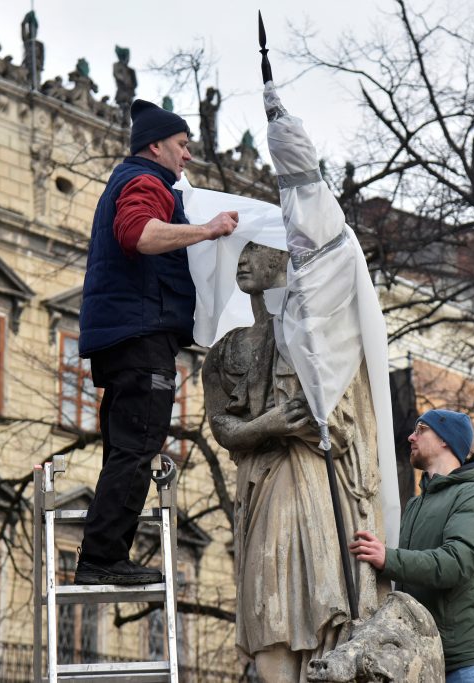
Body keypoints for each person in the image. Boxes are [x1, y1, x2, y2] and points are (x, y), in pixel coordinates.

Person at [203, 242, 388, 682]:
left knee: (310, 596)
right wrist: (267, 425)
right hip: (262, 478)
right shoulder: (227, 350)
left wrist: (308, 423)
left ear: (282, 256)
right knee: (267, 600)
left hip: (312, 481)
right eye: (238, 250)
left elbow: (348, 423)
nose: (242, 259)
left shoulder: (321, 336)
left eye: (254, 248)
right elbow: (222, 426)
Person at [74, 99, 238, 586]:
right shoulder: (144, 182)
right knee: (138, 445)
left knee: (126, 446)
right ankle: (103, 559)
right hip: (139, 334)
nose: (187, 156)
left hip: (124, 334)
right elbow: (138, 235)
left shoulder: (133, 181)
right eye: (183, 146)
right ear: (156, 145)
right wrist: (207, 230)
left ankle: (103, 554)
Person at [349, 409, 474, 683]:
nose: (411, 436)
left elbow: (455, 563)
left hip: (465, 663)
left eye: (421, 430)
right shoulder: (417, 504)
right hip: (422, 659)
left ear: (447, 439)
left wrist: (388, 559)